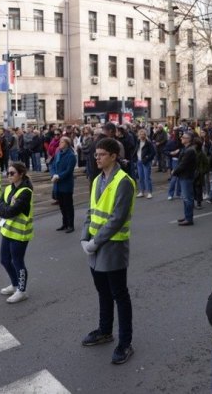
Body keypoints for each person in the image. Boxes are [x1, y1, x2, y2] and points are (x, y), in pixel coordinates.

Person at [80, 137, 136, 365]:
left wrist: (94, 242)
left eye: (101, 154)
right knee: (103, 292)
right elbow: (91, 211)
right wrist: (85, 236)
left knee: (119, 295)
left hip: (112, 248)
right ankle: (105, 330)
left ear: (113, 156)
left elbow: (117, 218)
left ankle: (125, 343)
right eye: (96, 154)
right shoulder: (97, 179)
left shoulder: (124, 181)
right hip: (95, 247)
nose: (97, 157)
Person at [0, 161, 34, 303]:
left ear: (21, 174)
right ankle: (14, 284)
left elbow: (11, 211)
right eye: (8, 173)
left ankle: (22, 290)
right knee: (4, 260)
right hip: (8, 231)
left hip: (20, 233)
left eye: (12, 173)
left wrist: (5, 209)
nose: (9, 176)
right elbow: (0, 206)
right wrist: (5, 209)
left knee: (18, 261)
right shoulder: (8, 188)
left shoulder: (26, 191)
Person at [52, 136, 77, 233]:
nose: (59, 143)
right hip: (58, 184)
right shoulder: (58, 153)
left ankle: (71, 225)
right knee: (62, 205)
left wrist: (58, 176)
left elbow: (69, 171)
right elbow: (53, 165)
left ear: (67, 143)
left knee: (68, 205)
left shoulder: (71, 155)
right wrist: (53, 174)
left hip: (66, 184)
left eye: (62, 142)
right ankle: (65, 223)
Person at [172, 131, 197, 226]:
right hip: (184, 175)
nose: (181, 138)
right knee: (185, 198)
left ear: (188, 139)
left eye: (183, 137)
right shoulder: (186, 148)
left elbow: (183, 164)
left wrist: (175, 171)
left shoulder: (190, 150)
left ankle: (189, 218)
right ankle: (187, 216)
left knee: (187, 198)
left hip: (186, 176)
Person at [133, 128, 156, 199]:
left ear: (145, 135)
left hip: (146, 162)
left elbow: (153, 152)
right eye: (140, 134)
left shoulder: (148, 143)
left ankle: (149, 192)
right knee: (140, 178)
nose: (141, 136)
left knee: (147, 178)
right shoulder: (137, 141)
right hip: (139, 161)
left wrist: (147, 158)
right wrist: (134, 158)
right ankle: (142, 192)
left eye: (143, 134)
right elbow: (136, 150)